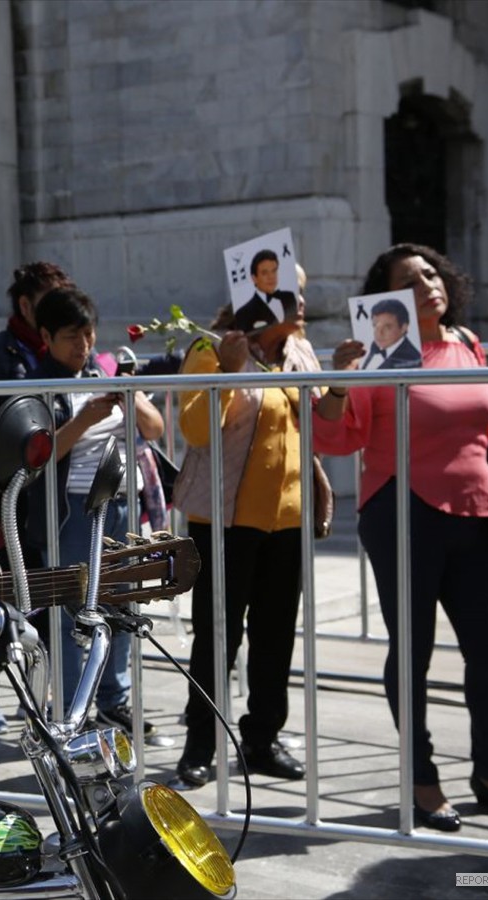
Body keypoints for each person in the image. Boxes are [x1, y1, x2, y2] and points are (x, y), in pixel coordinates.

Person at [313, 242, 488, 831]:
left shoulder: (466, 342)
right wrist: (339, 385)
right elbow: (338, 439)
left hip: (476, 513)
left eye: (433, 274)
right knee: (411, 651)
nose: (429, 283)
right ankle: (421, 778)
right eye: (412, 280)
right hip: (402, 512)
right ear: (388, 301)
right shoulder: (379, 355)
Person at [169, 266, 325, 790]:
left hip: (288, 519)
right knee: (217, 635)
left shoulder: (300, 351)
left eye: (300, 291)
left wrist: (346, 382)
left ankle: (262, 738)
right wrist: (229, 370)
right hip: (224, 519)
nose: (300, 300)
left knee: (275, 634)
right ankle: (200, 742)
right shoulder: (210, 348)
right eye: (289, 291)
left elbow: (323, 421)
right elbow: (194, 428)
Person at [26, 287, 166, 738]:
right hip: (75, 512)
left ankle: (113, 701)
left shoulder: (104, 368)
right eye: (71, 336)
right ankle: (70, 710)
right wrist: (83, 419)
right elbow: (38, 456)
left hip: (123, 506)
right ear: (46, 336)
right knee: (72, 615)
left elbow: (156, 428)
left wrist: (131, 392)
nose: (83, 345)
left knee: (121, 608)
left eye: (88, 334)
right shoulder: (37, 383)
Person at [0, 261, 76, 735]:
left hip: (48, 507)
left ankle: (35, 703)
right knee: (16, 607)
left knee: (38, 609)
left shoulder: (56, 354)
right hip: (10, 505)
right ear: (26, 305)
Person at [234, 249, 297, 333]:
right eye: (264, 273)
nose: (271, 277)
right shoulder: (244, 312)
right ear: (254, 278)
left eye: (274, 271)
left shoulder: (289, 297)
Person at [361, 297, 422, 370]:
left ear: (403, 328)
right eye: (375, 326)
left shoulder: (413, 358)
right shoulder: (370, 349)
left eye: (387, 327)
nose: (379, 333)